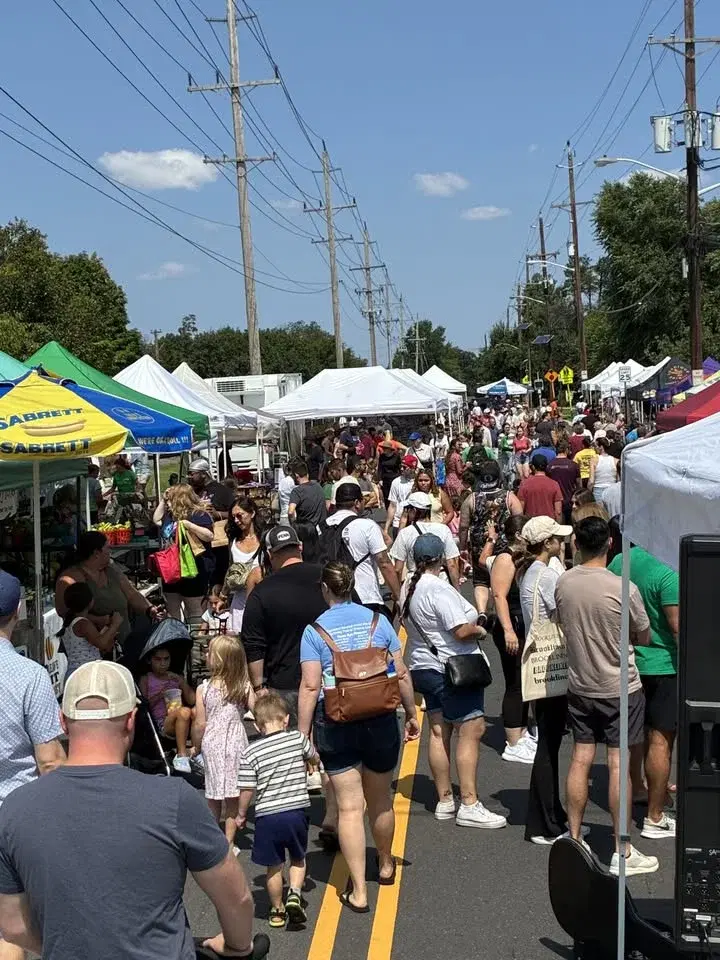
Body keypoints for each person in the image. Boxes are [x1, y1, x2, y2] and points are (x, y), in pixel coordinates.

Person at [0, 660, 266, 960]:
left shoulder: (14, 811)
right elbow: (237, 898)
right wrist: (237, 947)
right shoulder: (174, 799)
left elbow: (13, 925)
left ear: (63, 721)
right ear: (131, 720)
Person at [298, 563, 419, 912]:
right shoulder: (377, 622)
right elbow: (401, 673)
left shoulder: (314, 631)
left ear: (325, 590)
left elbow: (310, 686)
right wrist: (411, 714)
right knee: (380, 801)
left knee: (350, 807)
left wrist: (303, 734)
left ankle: (358, 891)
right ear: (352, 587)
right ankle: (384, 863)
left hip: (335, 721)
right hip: (380, 718)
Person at [554, 517, 657, 876]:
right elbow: (643, 634)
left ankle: (574, 835)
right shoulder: (621, 586)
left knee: (580, 758)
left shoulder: (565, 583)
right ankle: (621, 848)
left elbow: (558, 621)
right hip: (619, 686)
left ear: (577, 544)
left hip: (580, 684)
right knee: (618, 764)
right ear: (609, 544)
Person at [402, 534, 507, 830]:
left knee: (438, 730)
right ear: (440, 558)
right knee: (470, 729)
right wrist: (481, 631)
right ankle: (470, 803)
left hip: (423, 666)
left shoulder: (409, 588)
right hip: (451, 667)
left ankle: (445, 798)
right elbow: (460, 630)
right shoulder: (438, 589)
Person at [0, 572, 65, 960]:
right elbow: (50, 761)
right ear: (20, 611)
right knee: (11, 925)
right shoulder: (29, 675)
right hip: (14, 815)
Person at [608, 545, 679, 839]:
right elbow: (677, 628)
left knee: (634, 735)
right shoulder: (668, 572)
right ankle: (655, 815)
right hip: (663, 665)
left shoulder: (618, 560)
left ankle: (637, 787)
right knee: (660, 741)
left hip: (630, 662)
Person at [237, 693, 319, 927]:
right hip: (296, 812)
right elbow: (313, 755)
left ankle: (277, 909)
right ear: (285, 720)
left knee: (273, 866)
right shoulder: (297, 739)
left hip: (267, 816)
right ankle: (294, 892)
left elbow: (246, 789)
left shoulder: (250, 753)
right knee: (298, 857)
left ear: (257, 725)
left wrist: (242, 813)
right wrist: (312, 764)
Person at [514, 517, 572, 844]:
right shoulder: (548, 575)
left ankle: (550, 814)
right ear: (547, 543)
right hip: (551, 665)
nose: (560, 543)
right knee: (549, 746)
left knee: (548, 744)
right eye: (556, 539)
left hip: (537, 664)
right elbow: (563, 611)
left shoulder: (530, 573)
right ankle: (544, 822)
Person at [242, 526, 326, 716]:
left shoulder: (261, 592)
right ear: (300, 547)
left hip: (285, 685)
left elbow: (253, 644)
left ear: (270, 554)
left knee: (293, 743)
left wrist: (258, 687)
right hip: (331, 678)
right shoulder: (328, 577)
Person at [193, 635, 254, 852]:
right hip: (237, 741)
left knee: (213, 793)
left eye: (209, 652)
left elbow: (200, 723)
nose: (205, 655)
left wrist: (196, 745)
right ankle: (229, 841)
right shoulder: (243, 686)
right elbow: (258, 712)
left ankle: (214, 838)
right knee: (232, 794)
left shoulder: (204, 688)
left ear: (219, 659)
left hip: (212, 742)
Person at [56, 531, 163, 652]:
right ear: (96, 553)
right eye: (107, 548)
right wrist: (102, 620)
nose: (110, 552)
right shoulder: (71, 577)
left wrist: (150, 609)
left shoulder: (112, 570)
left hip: (122, 643)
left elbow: (132, 594)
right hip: (91, 650)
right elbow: (64, 612)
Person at [489, 514, 536, 765]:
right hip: (512, 626)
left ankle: (521, 731)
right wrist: (508, 629)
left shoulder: (522, 558)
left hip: (522, 625)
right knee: (515, 682)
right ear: (518, 535)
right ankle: (513, 741)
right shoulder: (506, 558)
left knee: (525, 681)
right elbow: (499, 596)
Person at [327, 483, 401, 616]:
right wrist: (399, 597)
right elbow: (384, 563)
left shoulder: (323, 526)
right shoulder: (366, 526)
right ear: (357, 503)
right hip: (364, 597)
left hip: (331, 600)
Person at [459, 460, 521, 620]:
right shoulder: (509, 497)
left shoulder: (472, 499)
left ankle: (481, 611)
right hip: (504, 546)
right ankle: (502, 609)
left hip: (479, 544)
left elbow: (464, 526)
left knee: (480, 581)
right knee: (504, 578)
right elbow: (519, 520)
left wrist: (463, 547)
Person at [153, 484, 215, 623]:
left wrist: (188, 525)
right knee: (172, 608)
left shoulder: (198, 514)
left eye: (170, 498)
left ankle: (195, 641)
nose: (168, 501)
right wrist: (163, 501)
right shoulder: (169, 515)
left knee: (193, 609)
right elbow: (156, 520)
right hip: (171, 568)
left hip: (193, 567)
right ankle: (176, 637)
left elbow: (209, 536)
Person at [139, 645, 196, 773]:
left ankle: (197, 751)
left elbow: (192, 700)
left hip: (179, 716)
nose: (163, 663)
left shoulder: (174, 677)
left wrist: (181, 681)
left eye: (166, 659)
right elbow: (144, 706)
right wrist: (160, 694)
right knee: (184, 712)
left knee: (195, 711)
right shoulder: (146, 679)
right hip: (159, 722)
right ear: (150, 660)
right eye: (158, 660)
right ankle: (181, 755)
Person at [390, 492, 460, 588]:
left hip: (415, 582)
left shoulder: (405, 533)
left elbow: (398, 569)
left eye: (407, 509)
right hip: (441, 580)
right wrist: (457, 590)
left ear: (414, 511)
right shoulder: (443, 529)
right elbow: (452, 564)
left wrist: (397, 594)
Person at [58, 582, 123, 678]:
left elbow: (102, 647)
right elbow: (101, 643)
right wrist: (115, 624)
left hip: (76, 673)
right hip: (85, 674)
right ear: (90, 601)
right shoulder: (83, 623)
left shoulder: (71, 623)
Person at [221, 497, 264, 634]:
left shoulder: (264, 537)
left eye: (240, 515)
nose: (236, 521)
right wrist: (223, 595)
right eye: (233, 517)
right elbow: (230, 571)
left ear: (252, 513)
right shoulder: (233, 541)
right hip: (239, 602)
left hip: (261, 599)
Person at [383, 455, 418, 543]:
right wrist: (386, 528)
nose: (401, 469)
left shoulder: (419, 481)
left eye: (404, 467)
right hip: (398, 523)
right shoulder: (396, 482)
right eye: (401, 466)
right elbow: (392, 505)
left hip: (415, 523)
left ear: (412, 468)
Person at [518, 454, 563, 521]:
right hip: (549, 525)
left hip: (531, 525)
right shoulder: (554, 484)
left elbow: (520, 510)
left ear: (532, 467)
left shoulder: (524, 484)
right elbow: (558, 511)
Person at [546, 441, 580, 524]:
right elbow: (579, 484)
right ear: (566, 450)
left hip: (554, 501)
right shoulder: (573, 465)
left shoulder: (549, 465)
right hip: (570, 500)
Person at [288, 460, 327, 526]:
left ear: (296, 475)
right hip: (321, 529)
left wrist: (294, 525)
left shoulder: (297, 491)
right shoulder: (318, 486)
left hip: (306, 531)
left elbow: (290, 512)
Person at [588, 436, 619, 505]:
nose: (594, 448)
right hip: (612, 490)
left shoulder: (594, 460)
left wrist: (589, 492)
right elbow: (618, 480)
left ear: (601, 447)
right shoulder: (616, 461)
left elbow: (591, 481)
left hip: (598, 490)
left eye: (596, 446)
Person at [377, 440, 402, 507]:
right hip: (385, 478)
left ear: (389, 449)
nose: (383, 449)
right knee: (386, 496)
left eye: (385, 448)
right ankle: (388, 510)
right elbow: (380, 468)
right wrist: (379, 479)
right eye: (383, 448)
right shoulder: (382, 456)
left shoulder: (396, 456)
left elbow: (399, 468)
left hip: (394, 478)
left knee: (395, 495)